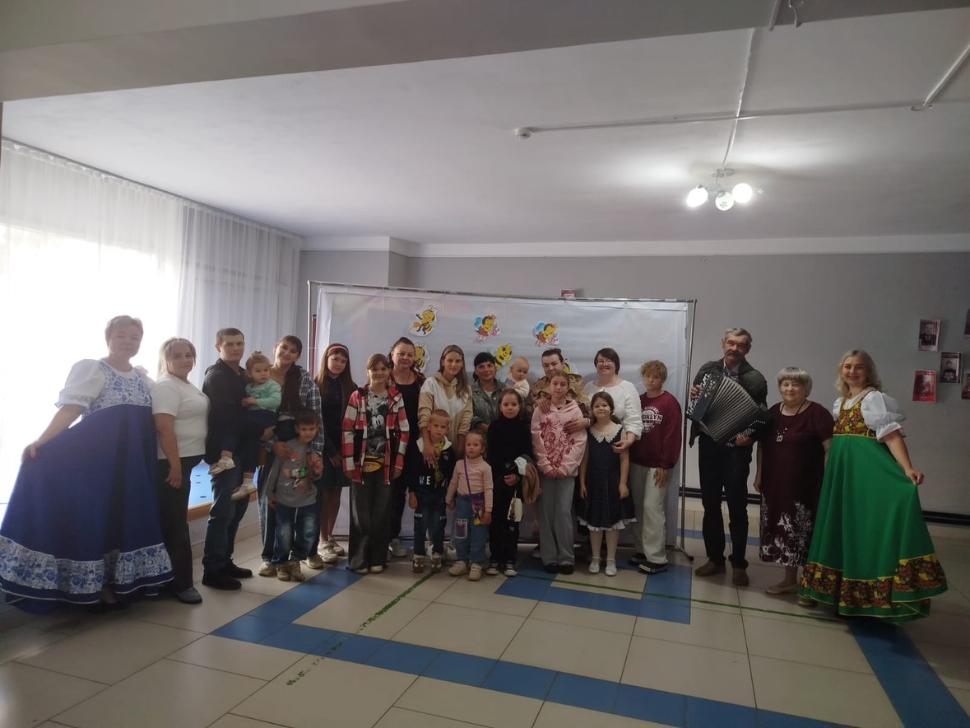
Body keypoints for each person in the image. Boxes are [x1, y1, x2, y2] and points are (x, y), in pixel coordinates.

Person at [1, 315, 173, 610]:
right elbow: (70, 411)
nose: (128, 341)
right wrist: (42, 441)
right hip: (97, 465)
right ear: (108, 337)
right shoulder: (93, 370)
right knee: (97, 519)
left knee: (121, 519)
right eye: (121, 335)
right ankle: (94, 588)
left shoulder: (143, 378)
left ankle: (117, 583)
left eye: (134, 337)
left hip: (132, 467)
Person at [799, 351, 947, 621]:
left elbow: (892, 436)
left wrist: (907, 468)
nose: (852, 371)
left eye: (859, 367)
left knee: (864, 528)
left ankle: (868, 595)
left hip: (866, 473)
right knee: (843, 526)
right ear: (841, 370)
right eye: (847, 366)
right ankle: (840, 593)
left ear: (868, 371)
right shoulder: (841, 403)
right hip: (842, 474)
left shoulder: (874, 399)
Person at [690, 327, 767, 587]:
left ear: (747, 349)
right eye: (731, 343)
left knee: (737, 506)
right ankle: (715, 558)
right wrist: (694, 397)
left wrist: (750, 436)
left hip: (736, 449)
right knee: (710, 504)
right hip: (709, 444)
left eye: (741, 345)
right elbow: (696, 407)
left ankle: (739, 564)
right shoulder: (708, 370)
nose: (734, 348)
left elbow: (762, 416)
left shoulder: (755, 379)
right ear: (723, 343)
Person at [752, 368, 833, 596]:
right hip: (775, 485)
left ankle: (810, 582)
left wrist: (829, 480)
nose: (790, 388)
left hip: (806, 487)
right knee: (784, 531)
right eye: (785, 384)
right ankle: (789, 580)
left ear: (806, 388)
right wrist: (759, 474)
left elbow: (830, 449)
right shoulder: (772, 412)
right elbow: (762, 446)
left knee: (805, 532)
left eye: (795, 384)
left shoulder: (818, 413)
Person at [258, 336, 323, 575]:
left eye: (293, 351)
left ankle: (298, 555)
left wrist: (315, 452)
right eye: (284, 348)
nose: (287, 353)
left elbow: (316, 417)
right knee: (271, 502)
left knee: (302, 504)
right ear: (275, 347)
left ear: (298, 356)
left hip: (299, 451)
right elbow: (252, 416)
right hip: (269, 450)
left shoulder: (304, 379)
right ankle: (270, 557)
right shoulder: (260, 375)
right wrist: (272, 444)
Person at [153, 337, 209, 605]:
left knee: (173, 521)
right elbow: (164, 427)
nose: (185, 359)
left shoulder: (184, 384)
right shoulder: (166, 386)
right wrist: (174, 465)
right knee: (175, 524)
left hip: (184, 462)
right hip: (171, 463)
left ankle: (169, 580)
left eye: (189, 355)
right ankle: (182, 584)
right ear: (166, 360)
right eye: (177, 356)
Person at [343, 353, 410, 574]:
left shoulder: (396, 398)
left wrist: (398, 463)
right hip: (360, 464)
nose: (379, 373)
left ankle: (378, 558)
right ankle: (358, 559)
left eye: (383, 368)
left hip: (386, 464)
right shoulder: (357, 396)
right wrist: (349, 463)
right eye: (375, 369)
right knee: (360, 513)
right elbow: (347, 430)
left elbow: (404, 431)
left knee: (382, 512)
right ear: (368, 371)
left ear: (389, 371)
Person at [202, 327, 254, 590]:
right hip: (224, 452)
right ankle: (212, 570)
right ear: (218, 347)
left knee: (238, 507)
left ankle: (225, 561)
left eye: (239, 343)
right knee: (223, 511)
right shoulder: (217, 376)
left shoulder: (244, 374)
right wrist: (257, 421)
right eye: (230, 344)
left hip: (243, 450)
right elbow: (228, 417)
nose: (235, 348)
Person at [628, 360, 682, 575]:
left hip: (657, 466)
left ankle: (657, 558)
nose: (651, 380)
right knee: (638, 509)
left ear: (663, 379)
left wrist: (665, 464)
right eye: (648, 376)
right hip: (636, 462)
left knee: (652, 508)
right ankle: (642, 550)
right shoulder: (638, 400)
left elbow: (672, 435)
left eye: (656, 377)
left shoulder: (669, 403)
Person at [532, 371, 588, 574]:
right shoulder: (540, 409)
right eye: (555, 383)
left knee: (563, 512)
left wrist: (566, 466)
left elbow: (580, 441)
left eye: (562, 384)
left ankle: (566, 557)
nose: (558, 387)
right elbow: (536, 437)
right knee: (546, 514)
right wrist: (546, 465)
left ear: (568, 387)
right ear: (549, 386)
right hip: (546, 471)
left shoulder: (575, 410)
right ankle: (549, 557)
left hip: (566, 472)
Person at [208, 351, 280, 502]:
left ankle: (226, 456)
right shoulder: (248, 387)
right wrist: (245, 403)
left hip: (266, 416)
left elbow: (275, 401)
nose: (263, 374)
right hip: (253, 417)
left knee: (235, 425)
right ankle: (248, 481)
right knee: (250, 445)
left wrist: (255, 401)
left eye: (266, 370)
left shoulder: (272, 385)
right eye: (258, 371)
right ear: (249, 373)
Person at [263, 411, 321, 583]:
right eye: (304, 429)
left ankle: (295, 562)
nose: (308, 433)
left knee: (308, 532)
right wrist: (269, 493)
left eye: (311, 429)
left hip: (307, 499)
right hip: (284, 499)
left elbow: (317, 476)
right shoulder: (287, 447)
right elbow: (275, 471)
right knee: (284, 533)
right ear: (297, 429)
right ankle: (280, 563)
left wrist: (316, 470)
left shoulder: (314, 452)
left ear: (317, 429)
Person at [579, 392, 633, 577]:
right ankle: (595, 558)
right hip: (593, 482)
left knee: (612, 524)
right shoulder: (589, 431)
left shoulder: (619, 430)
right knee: (594, 523)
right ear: (592, 410)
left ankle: (611, 559)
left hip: (613, 482)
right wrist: (582, 482)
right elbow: (585, 459)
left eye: (604, 405)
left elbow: (624, 459)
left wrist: (623, 483)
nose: (601, 408)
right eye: (597, 406)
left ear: (611, 408)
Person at [312, 343, 357, 565]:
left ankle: (330, 536)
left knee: (336, 493)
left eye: (343, 360)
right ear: (326, 359)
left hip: (344, 448)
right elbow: (316, 420)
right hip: (323, 447)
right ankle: (321, 540)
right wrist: (330, 450)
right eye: (335, 359)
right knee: (323, 494)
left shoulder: (351, 386)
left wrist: (345, 450)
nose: (339, 364)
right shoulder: (316, 384)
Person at [486, 389, 534, 576]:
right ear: (500, 406)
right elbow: (492, 454)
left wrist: (516, 475)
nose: (510, 408)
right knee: (496, 521)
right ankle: (495, 558)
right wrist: (502, 475)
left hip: (516, 482)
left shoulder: (524, 428)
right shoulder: (494, 427)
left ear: (520, 406)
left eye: (514, 404)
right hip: (497, 481)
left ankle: (510, 559)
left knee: (512, 522)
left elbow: (527, 453)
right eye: (506, 404)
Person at [387, 337, 426, 559]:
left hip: (414, 444)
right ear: (392, 354)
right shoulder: (383, 377)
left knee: (407, 491)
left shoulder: (421, 381)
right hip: (388, 444)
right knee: (389, 492)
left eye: (410, 354)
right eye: (401, 353)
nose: (405, 357)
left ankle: (396, 537)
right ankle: (382, 537)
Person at [409, 410, 456, 573]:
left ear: (448, 429)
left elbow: (452, 475)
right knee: (420, 525)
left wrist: (451, 496)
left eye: (443, 427)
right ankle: (418, 555)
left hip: (440, 494)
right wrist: (412, 493)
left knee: (438, 525)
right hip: (422, 493)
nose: (439, 430)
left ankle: (437, 553)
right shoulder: (419, 446)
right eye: (435, 426)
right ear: (428, 426)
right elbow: (412, 472)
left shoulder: (449, 450)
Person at [446, 429, 493, 581]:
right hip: (462, 504)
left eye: (475, 445)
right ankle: (462, 560)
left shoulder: (485, 467)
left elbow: (488, 489)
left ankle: (477, 563)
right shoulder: (459, 465)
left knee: (478, 534)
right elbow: (453, 482)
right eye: (468, 444)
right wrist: (449, 498)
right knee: (461, 533)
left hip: (478, 504)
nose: (471, 448)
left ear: (482, 448)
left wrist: (488, 510)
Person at [583, 348, 643, 452]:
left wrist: (628, 441)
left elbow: (634, 419)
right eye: (601, 361)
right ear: (596, 365)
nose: (604, 364)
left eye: (608, 361)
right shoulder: (588, 387)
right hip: (590, 443)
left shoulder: (628, 387)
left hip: (618, 443)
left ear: (616, 365)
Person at [530, 347, 589, 422]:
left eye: (554, 364)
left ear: (562, 363)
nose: (550, 368)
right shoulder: (537, 387)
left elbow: (589, 410)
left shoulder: (576, 384)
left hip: (572, 426)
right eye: (546, 365)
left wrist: (587, 422)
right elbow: (527, 414)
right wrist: (536, 404)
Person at [470, 352, 502, 430]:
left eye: (489, 366)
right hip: (478, 436)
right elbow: (468, 416)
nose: (486, 369)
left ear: (495, 368)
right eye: (481, 367)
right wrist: (485, 427)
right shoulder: (469, 392)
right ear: (476, 371)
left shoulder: (506, 390)